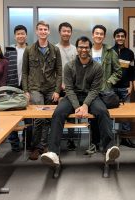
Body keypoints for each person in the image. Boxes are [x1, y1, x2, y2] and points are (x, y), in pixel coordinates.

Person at [41, 36, 120, 168]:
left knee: (102, 111)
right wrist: (78, 106)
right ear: (76, 48)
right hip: (72, 96)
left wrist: (85, 105)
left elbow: (95, 89)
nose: (83, 49)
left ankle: (109, 149)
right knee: (58, 113)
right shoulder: (69, 66)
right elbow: (69, 89)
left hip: (91, 96)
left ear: (90, 48)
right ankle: (53, 152)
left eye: (86, 47)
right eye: (80, 47)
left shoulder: (97, 67)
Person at [22, 21, 62, 160]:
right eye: (41, 29)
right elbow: (25, 72)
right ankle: (36, 147)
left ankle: (45, 145)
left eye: (45, 29)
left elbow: (59, 72)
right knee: (39, 118)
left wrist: (57, 90)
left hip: (51, 88)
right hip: (35, 88)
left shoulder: (55, 50)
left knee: (50, 118)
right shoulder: (29, 50)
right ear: (37, 32)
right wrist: (26, 90)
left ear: (49, 32)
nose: (43, 31)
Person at [90, 24, 122, 152]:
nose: (98, 36)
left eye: (101, 34)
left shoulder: (110, 52)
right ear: (92, 35)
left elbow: (118, 71)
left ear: (104, 36)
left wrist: (109, 82)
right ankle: (95, 143)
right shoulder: (86, 50)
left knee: (103, 115)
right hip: (89, 91)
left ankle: (106, 144)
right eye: (96, 33)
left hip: (105, 91)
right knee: (93, 117)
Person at [5, 25, 31, 152]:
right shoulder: (9, 51)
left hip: (27, 86)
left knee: (28, 116)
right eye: (18, 34)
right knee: (12, 116)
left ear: (26, 35)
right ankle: (14, 144)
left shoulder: (31, 49)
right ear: (15, 36)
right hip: (12, 86)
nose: (20, 36)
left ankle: (27, 142)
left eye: (23, 33)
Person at [112, 28, 135, 148]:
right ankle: (110, 139)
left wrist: (130, 87)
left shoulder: (130, 53)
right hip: (111, 88)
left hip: (125, 87)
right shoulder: (109, 51)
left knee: (126, 114)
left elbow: (132, 72)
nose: (120, 38)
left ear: (125, 38)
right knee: (109, 113)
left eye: (122, 36)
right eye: (118, 36)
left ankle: (125, 138)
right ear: (114, 37)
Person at [55, 22, 77, 151]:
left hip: (73, 87)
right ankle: (57, 140)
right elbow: (53, 70)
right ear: (59, 32)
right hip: (59, 87)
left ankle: (71, 139)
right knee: (59, 113)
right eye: (64, 31)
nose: (66, 33)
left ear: (71, 33)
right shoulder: (54, 48)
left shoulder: (75, 49)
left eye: (68, 31)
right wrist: (59, 86)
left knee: (73, 113)